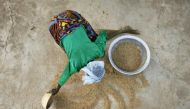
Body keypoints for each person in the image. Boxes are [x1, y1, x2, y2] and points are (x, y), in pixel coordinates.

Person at [48, 10, 107, 96]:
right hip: (53, 26)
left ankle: (61, 19)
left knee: (94, 37)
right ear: (87, 72)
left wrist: (103, 48)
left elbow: (103, 35)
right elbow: (65, 75)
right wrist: (57, 89)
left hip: (69, 16)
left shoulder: (98, 51)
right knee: (67, 49)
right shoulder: (75, 64)